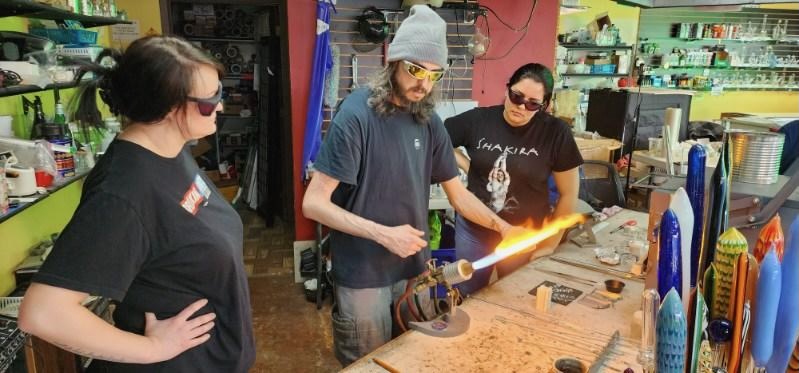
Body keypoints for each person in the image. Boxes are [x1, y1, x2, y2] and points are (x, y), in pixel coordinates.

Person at [302, 5, 532, 366]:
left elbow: (459, 196)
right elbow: (313, 204)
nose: (424, 83)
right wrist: (383, 234)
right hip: (364, 273)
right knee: (369, 363)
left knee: (416, 358)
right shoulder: (357, 114)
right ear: (394, 60)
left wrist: (505, 229)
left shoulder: (428, 121)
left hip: (414, 269)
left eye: (434, 74)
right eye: (415, 70)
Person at [18, 36, 255, 372]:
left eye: (221, 92)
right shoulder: (124, 192)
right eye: (210, 100)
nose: (219, 106)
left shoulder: (171, 151)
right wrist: (152, 348)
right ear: (170, 107)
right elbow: (43, 313)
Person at [445, 63, 583, 295]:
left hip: (523, 233)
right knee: (469, 292)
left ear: (545, 105)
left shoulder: (555, 133)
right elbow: (437, 140)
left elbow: (569, 194)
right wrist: (467, 165)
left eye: (532, 103)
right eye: (516, 96)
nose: (521, 106)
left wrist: (549, 244)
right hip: (475, 229)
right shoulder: (479, 120)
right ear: (507, 89)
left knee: (513, 294)